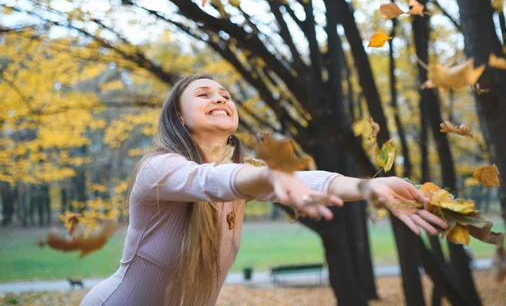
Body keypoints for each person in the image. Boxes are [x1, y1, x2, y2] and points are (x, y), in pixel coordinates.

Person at [81, 74, 447, 306]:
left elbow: (311, 180)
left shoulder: (248, 171)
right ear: (178, 116)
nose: (220, 99)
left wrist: (372, 187)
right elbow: (212, 182)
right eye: (204, 94)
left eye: (225, 95)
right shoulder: (158, 170)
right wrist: (271, 177)